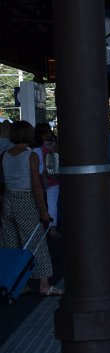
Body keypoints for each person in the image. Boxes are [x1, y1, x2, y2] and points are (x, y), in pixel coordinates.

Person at [1, 120, 60, 295]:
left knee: (11, 244)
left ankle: (16, 284)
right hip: (25, 201)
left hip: (8, 200)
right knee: (36, 242)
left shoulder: (4, 155)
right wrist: (43, 210)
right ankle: (44, 285)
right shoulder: (30, 156)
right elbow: (36, 185)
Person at [32, 122, 60, 237]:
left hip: (38, 179)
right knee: (52, 203)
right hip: (52, 179)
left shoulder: (35, 148)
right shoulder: (54, 145)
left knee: (38, 203)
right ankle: (52, 229)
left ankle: (39, 228)